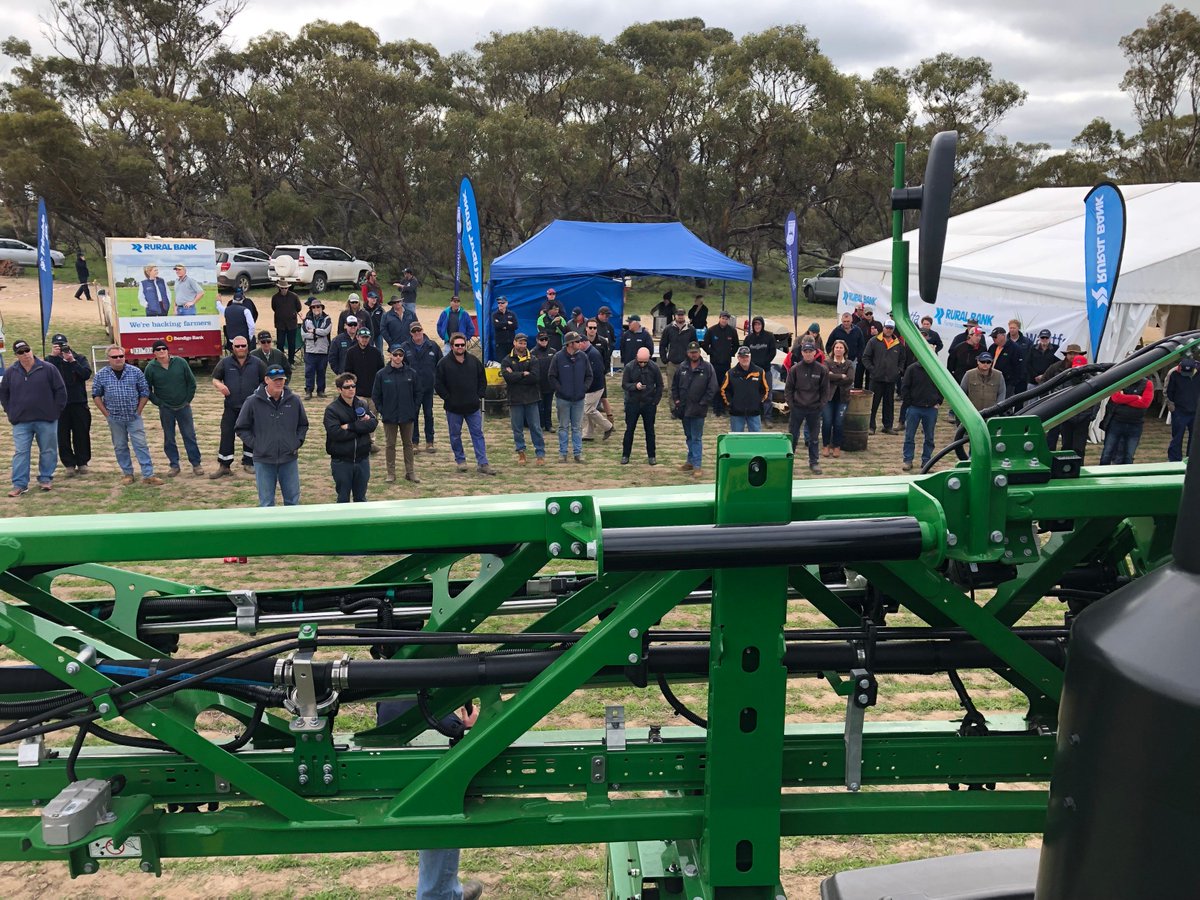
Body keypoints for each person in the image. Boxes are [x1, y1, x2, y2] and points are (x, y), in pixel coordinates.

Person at [0, 339, 66, 495]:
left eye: (27, 350)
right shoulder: (11, 372)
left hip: (47, 419)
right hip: (21, 421)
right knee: (21, 452)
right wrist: (10, 412)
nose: (25, 354)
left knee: (48, 451)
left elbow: (61, 392)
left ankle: (45, 478)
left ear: (31, 350)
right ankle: (19, 484)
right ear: (16, 355)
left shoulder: (49, 369)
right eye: (21, 352)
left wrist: (55, 412)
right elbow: (4, 394)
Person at [236, 364, 307, 506]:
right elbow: (241, 428)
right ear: (266, 380)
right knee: (267, 503)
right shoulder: (252, 402)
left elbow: (303, 425)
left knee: (293, 501)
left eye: (282, 379)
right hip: (263, 460)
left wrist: (296, 442)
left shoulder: (294, 400)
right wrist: (258, 445)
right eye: (275, 380)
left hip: (289, 459)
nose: (279, 382)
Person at [92, 344, 162, 486]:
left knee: (141, 445)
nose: (118, 359)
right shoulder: (101, 374)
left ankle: (148, 475)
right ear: (108, 359)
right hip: (115, 418)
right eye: (115, 357)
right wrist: (106, 414)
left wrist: (138, 411)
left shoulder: (135, 372)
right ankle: (127, 474)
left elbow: (144, 391)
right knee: (120, 446)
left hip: (133, 417)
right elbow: (96, 395)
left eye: (121, 356)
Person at [435, 332, 495, 474]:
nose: (460, 347)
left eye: (463, 345)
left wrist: (479, 395)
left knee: (478, 434)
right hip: (453, 408)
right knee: (455, 435)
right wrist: (447, 398)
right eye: (457, 345)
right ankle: (460, 460)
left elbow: (482, 379)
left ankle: (483, 463)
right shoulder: (443, 364)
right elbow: (438, 384)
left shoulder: (474, 361)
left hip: (473, 407)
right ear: (451, 346)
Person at [144, 339, 203, 477]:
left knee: (189, 435)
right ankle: (174, 465)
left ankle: (196, 463)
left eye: (164, 348)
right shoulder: (150, 368)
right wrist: (159, 403)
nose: (161, 351)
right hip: (166, 409)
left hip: (184, 407)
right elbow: (146, 389)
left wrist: (188, 400)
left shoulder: (181, 362)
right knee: (169, 437)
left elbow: (191, 382)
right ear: (154, 353)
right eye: (158, 349)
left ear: (168, 350)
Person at [209, 337, 266, 478]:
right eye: (238, 346)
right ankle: (224, 465)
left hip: (251, 408)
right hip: (230, 406)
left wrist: (260, 392)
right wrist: (219, 385)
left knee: (250, 435)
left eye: (243, 345)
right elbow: (215, 378)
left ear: (248, 346)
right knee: (227, 434)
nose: (240, 348)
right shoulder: (225, 362)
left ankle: (249, 462)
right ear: (233, 347)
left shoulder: (257, 363)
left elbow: (266, 381)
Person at [324, 373, 378, 502]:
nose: (351, 389)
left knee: (361, 498)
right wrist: (361, 429)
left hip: (362, 460)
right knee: (343, 499)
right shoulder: (332, 409)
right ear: (339, 389)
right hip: (342, 461)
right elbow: (335, 433)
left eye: (353, 386)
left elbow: (373, 424)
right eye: (347, 387)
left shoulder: (362, 404)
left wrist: (350, 426)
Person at [372, 344, 421, 482]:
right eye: (395, 354)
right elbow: (376, 395)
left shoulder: (411, 373)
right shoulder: (381, 374)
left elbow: (418, 393)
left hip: (407, 415)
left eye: (400, 355)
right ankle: (391, 473)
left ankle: (410, 472)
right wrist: (382, 410)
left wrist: (413, 408)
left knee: (408, 444)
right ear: (390, 355)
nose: (398, 357)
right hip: (389, 416)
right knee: (390, 445)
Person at [46, 333, 92, 476]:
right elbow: (46, 376)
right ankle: (69, 464)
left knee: (81, 433)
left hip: (78, 402)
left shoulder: (79, 358)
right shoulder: (49, 361)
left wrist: (71, 360)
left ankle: (82, 462)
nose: (61, 348)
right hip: (59, 405)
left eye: (63, 345)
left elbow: (85, 374)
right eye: (57, 346)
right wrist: (54, 357)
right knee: (62, 435)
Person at [672, 340, 717, 479]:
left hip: (699, 409)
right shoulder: (682, 367)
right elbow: (674, 386)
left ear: (699, 352)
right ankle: (690, 461)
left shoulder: (707, 368)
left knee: (696, 438)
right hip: (685, 409)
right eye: (691, 352)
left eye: (696, 352)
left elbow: (713, 388)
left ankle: (697, 465)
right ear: (687, 353)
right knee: (689, 436)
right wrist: (677, 400)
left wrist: (704, 402)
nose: (693, 354)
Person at [500, 333, 546, 466]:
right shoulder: (507, 360)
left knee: (536, 428)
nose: (522, 345)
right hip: (515, 399)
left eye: (524, 343)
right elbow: (508, 378)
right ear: (514, 343)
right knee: (517, 429)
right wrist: (523, 374)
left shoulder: (533, 359)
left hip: (532, 398)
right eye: (520, 343)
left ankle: (540, 453)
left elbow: (535, 377)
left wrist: (516, 375)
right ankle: (521, 452)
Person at [900, 335, 943, 472]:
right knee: (909, 436)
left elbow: (943, 387)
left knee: (929, 437)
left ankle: (927, 461)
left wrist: (938, 402)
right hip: (914, 408)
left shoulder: (937, 369)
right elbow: (905, 387)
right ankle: (908, 460)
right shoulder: (912, 369)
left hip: (931, 409)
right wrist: (910, 403)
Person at [785, 340, 829, 474]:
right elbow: (788, 390)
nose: (808, 354)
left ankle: (814, 462)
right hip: (797, 408)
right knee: (793, 436)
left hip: (814, 409)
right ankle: (788, 462)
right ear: (802, 353)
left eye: (811, 351)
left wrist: (820, 405)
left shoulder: (822, 370)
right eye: (806, 351)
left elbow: (825, 391)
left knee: (814, 438)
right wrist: (792, 405)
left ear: (815, 353)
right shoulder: (795, 369)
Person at [549, 331, 592, 463]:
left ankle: (578, 453)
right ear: (570, 344)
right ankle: (563, 453)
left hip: (578, 399)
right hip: (563, 399)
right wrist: (561, 390)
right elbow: (551, 376)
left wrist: (583, 389)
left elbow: (589, 375)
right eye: (577, 341)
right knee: (563, 427)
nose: (580, 343)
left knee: (577, 427)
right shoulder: (558, 357)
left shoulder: (583, 357)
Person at [401, 322, 442, 453]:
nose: (417, 333)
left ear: (422, 330)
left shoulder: (433, 346)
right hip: (412, 389)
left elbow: (440, 365)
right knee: (414, 415)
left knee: (428, 414)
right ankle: (414, 443)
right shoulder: (405, 347)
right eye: (414, 331)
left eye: (419, 330)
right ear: (410, 333)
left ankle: (430, 442)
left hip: (428, 387)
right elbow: (401, 366)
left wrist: (437, 381)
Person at [344, 328, 384, 452]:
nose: (364, 340)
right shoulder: (351, 352)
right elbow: (348, 373)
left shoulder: (376, 353)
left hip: (373, 393)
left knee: (372, 418)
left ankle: (371, 443)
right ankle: (359, 442)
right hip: (358, 393)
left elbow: (381, 372)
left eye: (366, 337)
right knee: (359, 418)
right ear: (357, 338)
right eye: (362, 337)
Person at [620, 346, 662, 465]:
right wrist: (634, 386)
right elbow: (624, 384)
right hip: (632, 403)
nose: (643, 364)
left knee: (650, 431)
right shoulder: (629, 367)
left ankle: (652, 456)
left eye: (645, 362)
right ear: (636, 358)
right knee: (629, 430)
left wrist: (655, 401)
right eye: (640, 362)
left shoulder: (654, 368)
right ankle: (625, 455)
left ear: (649, 358)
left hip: (649, 404)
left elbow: (660, 385)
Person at [1100, 375, 1154, 465]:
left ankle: (1126, 476)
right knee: (1107, 452)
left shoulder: (1147, 383)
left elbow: (1145, 403)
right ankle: (1101, 474)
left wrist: (1124, 398)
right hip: (1117, 422)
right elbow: (1116, 398)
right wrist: (1136, 397)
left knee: (1129, 455)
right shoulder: (1120, 380)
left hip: (1135, 424)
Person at [861, 319, 904, 434]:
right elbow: (865, 358)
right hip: (876, 378)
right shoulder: (874, 341)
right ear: (883, 328)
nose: (888, 330)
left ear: (893, 330)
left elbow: (902, 360)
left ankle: (888, 426)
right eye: (887, 327)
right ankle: (871, 426)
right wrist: (872, 370)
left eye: (891, 328)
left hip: (891, 379)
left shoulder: (898, 344)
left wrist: (898, 371)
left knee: (889, 404)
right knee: (873, 404)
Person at [580, 323, 613, 442]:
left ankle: (607, 426)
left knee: (588, 409)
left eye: (578, 343)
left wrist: (586, 385)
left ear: (584, 343)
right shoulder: (587, 352)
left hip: (595, 387)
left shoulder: (593, 354)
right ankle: (588, 433)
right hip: (591, 387)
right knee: (587, 409)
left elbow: (595, 372)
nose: (577, 346)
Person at [722, 346, 767, 433]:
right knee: (736, 440)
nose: (744, 359)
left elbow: (765, 389)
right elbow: (724, 390)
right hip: (736, 413)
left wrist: (758, 402)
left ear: (750, 357)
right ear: (738, 358)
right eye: (742, 357)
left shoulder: (760, 372)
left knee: (756, 439)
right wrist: (731, 403)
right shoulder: (730, 373)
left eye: (746, 356)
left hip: (754, 412)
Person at [703, 310, 739, 415]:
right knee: (715, 385)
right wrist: (711, 353)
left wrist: (730, 354)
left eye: (726, 319)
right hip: (714, 363)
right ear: (719, 318)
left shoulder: (732, 331)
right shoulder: (712, 330)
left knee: (725, 385)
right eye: (722, 318)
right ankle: (716, 407)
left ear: (728, 320)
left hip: (726, 363)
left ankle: (723, 406)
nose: (724, 320)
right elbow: (705, 344)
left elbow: (736, 345)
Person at [823, 339, 854, 458]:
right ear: (833, 349)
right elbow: (825, 376)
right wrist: (841, 376)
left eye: (841, 347)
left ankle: (836, 446)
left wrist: (833, 376)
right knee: (827, 422)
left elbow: (850, 379)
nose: (838, 349)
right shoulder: (827, 362)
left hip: (843, 397)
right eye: (836, 347)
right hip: (828, 397)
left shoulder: (849, 363)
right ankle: (825, 445)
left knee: (839, 423)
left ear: (845, 350)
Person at [743, 316, 777, 420]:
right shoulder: (748, 339)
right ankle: (753, 415)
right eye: (755, 324)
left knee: (767, 394)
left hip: (766, 370)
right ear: (753, 326)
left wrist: (765, 362)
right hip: (752, 372)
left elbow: (773, 352)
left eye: (759, 324)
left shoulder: (769, 336)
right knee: (753, 394)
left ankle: (767, 417)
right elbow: (745, 353)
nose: (757, 326)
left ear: (762, 325)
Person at [1166, 357, 1199, 462]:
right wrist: (1172, 407)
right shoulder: (1174, 373)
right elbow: (1168, 391)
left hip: (1196, 411)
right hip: (1179, 411)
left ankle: (1192, 460)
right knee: (1177, 437)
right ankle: (1174, 460)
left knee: (1195, 438)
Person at [659, 308, 697, 395]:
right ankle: (673, 408)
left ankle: (684, 408)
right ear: (675, 316)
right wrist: (665, 359)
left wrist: (693, 360)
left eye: (682, 315)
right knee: (672, 390)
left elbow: (695, 346)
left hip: (687, 364)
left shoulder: (691, 329)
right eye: (678, 315)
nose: (680, 317)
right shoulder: (668, 329)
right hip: (672, 364)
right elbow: (662, 345)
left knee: (686, 388)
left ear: (685, 316)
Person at [301, 298, 333, 399]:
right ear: (311, 308)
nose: (316, 308)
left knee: (321, 371)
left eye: (318, 306)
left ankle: (321, 391)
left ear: (322, 308)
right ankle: (309, 391)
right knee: (309, 372)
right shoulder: (306, 320)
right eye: (314, 307)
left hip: (323, 350)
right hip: (310, 350)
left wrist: (313, 331)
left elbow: (326, 331)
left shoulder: (327, 318)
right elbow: (304, 334)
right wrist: (317, 334)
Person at [827, 312, 867, 387]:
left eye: (848, 321)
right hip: (838, 362)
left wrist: (858, 357)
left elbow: (861, 345)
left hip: (852, 360)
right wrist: (832, 356)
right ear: (841, 321)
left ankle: (848, 397)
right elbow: (829, 345)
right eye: (844, 321)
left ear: (851, 320)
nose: (846, 323)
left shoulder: (857, 330)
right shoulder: (836, 331)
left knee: (850, 381)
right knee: (837, 379)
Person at [271, 281, 303, 364]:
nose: (284, 290)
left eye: (285, 288)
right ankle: (280, 361)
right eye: (282, 288)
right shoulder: (275, 297)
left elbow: (299, 308)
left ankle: (291, 361)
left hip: (291, 324)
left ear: (288, 288)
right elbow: (274, 307)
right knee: (280, 343)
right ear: (279, 288)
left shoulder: (294, 296)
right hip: (280, 324)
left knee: (291, 344)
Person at [531, 331, 556, 432]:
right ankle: (540, 425)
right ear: (537, 340)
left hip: (549, 382)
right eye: (542, 339)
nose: (544, 341)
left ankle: (548, 425)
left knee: (548, 406)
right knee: (539, 406)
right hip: (538, 383)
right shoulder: (533, 352)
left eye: (546, 339)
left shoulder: (553, 351)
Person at [989, 326, 1025, 396]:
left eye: (995, 337)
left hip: (1006, 383)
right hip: (991, 380)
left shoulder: (1015, 348)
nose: (993, 339)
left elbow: (1019, 368)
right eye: (992, 337)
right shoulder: (993, 347)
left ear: (1003, 336)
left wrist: (1012, 383)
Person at [491, 296, 518, 360]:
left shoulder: (512, 314)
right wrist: (507, 323)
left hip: (511, 342)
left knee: (512, 360)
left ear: (506, 303)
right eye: (499, 303)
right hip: (500, 343)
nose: (500, 304)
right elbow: (496, 326)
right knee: (501, 361)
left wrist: (502, 325)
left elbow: (515, 326)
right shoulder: (495, 314)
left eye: (502, 303)